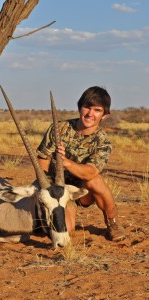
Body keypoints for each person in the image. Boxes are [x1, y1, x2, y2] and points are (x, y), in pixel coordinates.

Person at [36, 86, 126, 241]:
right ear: (80, 107)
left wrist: (65, 162)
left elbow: (90, 172)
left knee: (95, 180)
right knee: (66, 230)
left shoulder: (103, 142)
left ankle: (113, 223)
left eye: (97, 110)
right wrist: (48, 186)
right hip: (58, 190)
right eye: (87, 107)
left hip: (82, 192)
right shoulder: (60, 129)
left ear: (104, 115)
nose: (90, 114)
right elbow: (43, 158)